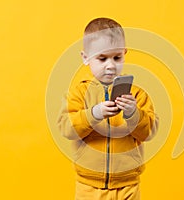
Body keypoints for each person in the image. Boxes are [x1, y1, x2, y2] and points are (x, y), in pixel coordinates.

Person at [57, 17, 159, 200]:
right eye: (102, 58)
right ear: (86, 58)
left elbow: (149, 132)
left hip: (128, 184)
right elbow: (66, 128)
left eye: (117, 57)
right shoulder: (78, 92)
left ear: (124, 53)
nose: (110, 65)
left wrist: (132, 114)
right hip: (88, 185)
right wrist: (93, 114)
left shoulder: (137, 94)